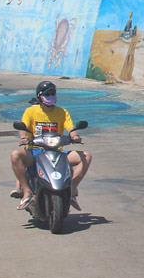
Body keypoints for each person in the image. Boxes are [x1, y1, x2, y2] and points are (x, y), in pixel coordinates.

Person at [10, 80, 91, 211]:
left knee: (86, 156)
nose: (51, 96)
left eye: (53, 93)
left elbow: (70, 128)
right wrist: (23, 138)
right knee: (15, 155)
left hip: (57, 152)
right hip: (35, 151)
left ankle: (71, 190)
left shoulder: (62, 112)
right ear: (40, 97)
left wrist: (75, 136)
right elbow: (23, 127)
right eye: (48, 94)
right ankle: (26, 191)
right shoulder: (31, 111)